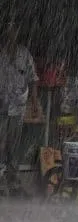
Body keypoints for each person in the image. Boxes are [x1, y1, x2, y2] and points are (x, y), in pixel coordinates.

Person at [0, 20, 40, 188]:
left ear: (17, 33)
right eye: (7, 30)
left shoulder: (24, 54)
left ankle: (13, 174)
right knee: (1, 140)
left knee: (14, 142)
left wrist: (34, 101)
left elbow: (33, 79)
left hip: (18, 106)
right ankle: (1, 173)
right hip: (1, 105)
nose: (11, 34)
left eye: (13, 30)